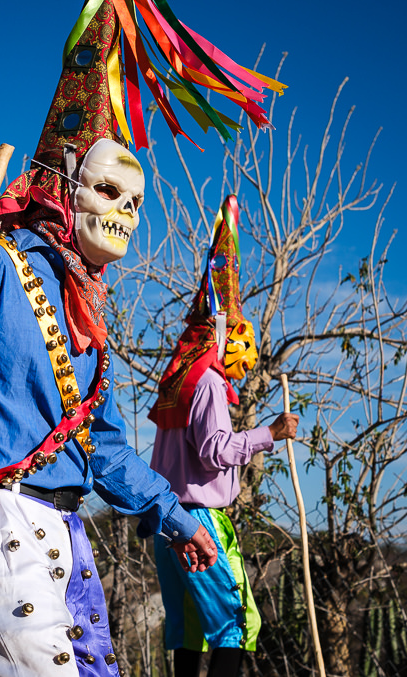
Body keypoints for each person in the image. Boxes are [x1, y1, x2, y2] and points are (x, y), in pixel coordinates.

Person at [0, 0, 229, 675]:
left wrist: (174, 514)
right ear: (65, 184)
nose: (124, 212)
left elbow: (100, 443)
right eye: (107, 192)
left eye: (134, 201)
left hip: (68, 530)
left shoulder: (88, 313)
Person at [148, 195, 299, 677]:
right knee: (235, 624)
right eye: (233, 328)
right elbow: (214, 451)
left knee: (188, 629)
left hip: (168, 522)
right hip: (198, 521)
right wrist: (268, 433)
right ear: (218, 331)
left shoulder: (176, 381)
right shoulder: (209, 382)